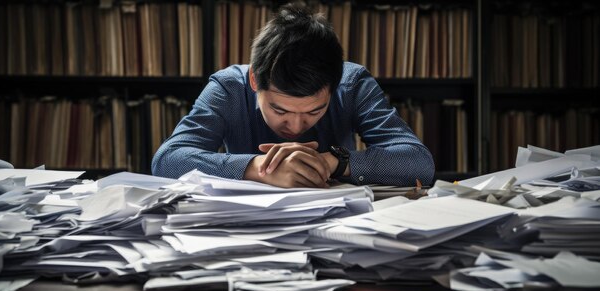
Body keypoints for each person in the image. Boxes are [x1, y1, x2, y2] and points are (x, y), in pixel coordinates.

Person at [152, 2, 434, 188]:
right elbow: (168, 160)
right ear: (254, 80)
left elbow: (419, 162)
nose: (297, 128)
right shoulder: (228, 88)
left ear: (335, 85)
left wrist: (331, 162)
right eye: (280, 110)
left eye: (314, 111)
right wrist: (259, 167)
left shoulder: (353, 83)